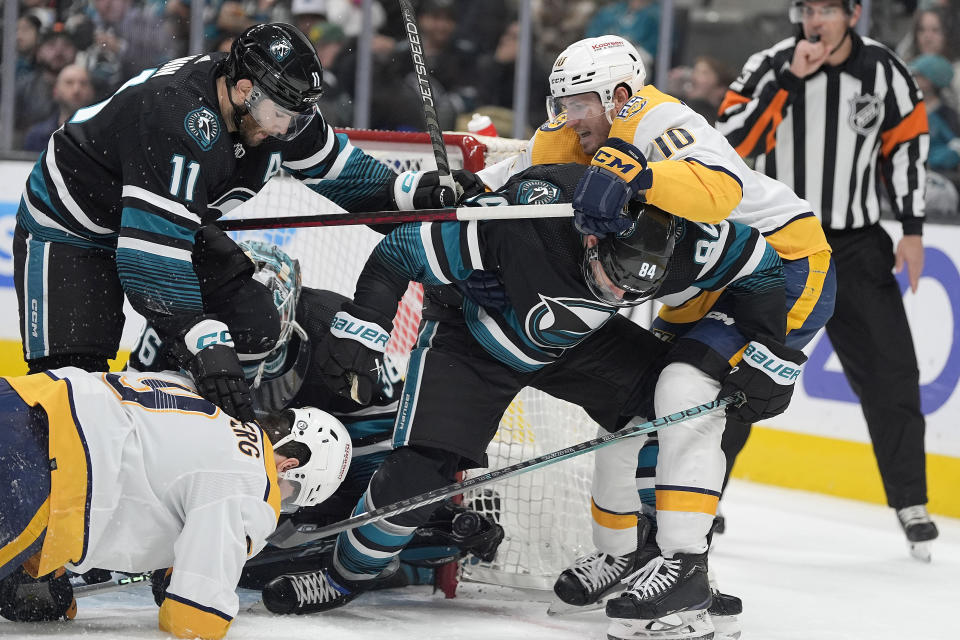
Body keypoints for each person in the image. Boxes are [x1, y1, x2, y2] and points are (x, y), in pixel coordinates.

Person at [251, 160, 806, 636]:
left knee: (673, 401)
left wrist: (771, 354)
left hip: (578, 342)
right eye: (612, 279)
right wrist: (364, 328)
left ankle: (660, 558)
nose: (619, 294)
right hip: (476, 339)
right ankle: (341, 576)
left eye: (635, 291)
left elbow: (760, 268)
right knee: (419, 478)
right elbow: (401, 249)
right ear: (592, 236)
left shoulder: (684, 240)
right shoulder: (523, 225)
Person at [477, 34, 835, 639]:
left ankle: (686, 568)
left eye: (579, 103)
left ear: (618, 95)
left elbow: (718, 188)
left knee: (681, 393)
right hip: (693, 282)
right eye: (560, 103)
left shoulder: (658, 117)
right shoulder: (565, 137)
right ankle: (631, 553)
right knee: (633, 408)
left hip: (779, 267)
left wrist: (637, 175)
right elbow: (506, 187)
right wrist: (456, 193)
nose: (568, 118)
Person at [13, 23, 474, 426]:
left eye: (297, 118)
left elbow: (342, 173)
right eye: (279, 116)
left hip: (167, 223)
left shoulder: (278, 106)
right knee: (72, 392)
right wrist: (203, 342)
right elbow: (149, 262)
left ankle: (174, 429)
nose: (285, 130)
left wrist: (414, 194)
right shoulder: (179, 118)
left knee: (252, 321)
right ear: (241, 89)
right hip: (73, 229)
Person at [127, 240, 504, 596]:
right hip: (216, 449)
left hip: (301, 456)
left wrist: (393, 503)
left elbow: (390, 436)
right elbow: (142, 430)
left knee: (381, 482)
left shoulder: (333, 328)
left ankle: (401, 543)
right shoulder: (172, 324)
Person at [716, 0, 938, 561]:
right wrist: (791, 80)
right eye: (806, 8)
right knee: (738, 369)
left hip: (857, 245)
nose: (814, 20)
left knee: (892, 372)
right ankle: (702, 492)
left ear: (854, 14)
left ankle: (911, 501)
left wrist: (911, 228)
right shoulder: (769, 66)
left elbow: (908, 145)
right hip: (783, 244)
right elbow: (730, 146)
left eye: (827, 10)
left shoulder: (885, 70)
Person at [0, 367, 351, 639]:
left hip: (20, 396)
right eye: (291, 493)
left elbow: (133, 442)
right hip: (39, 477)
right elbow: (194, 618)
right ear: (290, 466)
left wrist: (45, 565)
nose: (281, 499)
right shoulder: (254, 483)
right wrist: (184, 584)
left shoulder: (202, 392)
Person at [22, 63, 95, 151]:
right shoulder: (36, 137)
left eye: (83, 84)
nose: (76, 89)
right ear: (55, 91)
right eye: (69, 83)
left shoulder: (102, 136)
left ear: (91, 91)